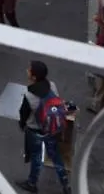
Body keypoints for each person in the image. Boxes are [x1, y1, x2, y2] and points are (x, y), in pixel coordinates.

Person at [17, 59, 70, 193]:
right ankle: (66, 183)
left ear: (33, 76)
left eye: (29, 69)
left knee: (36, 156)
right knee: (55, 155)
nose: (27, 70)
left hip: (35, 130)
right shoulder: (52, 85)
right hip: (51, 129)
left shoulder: (29, 95)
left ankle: (32, 183)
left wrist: (22, 125)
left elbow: (23, 114)